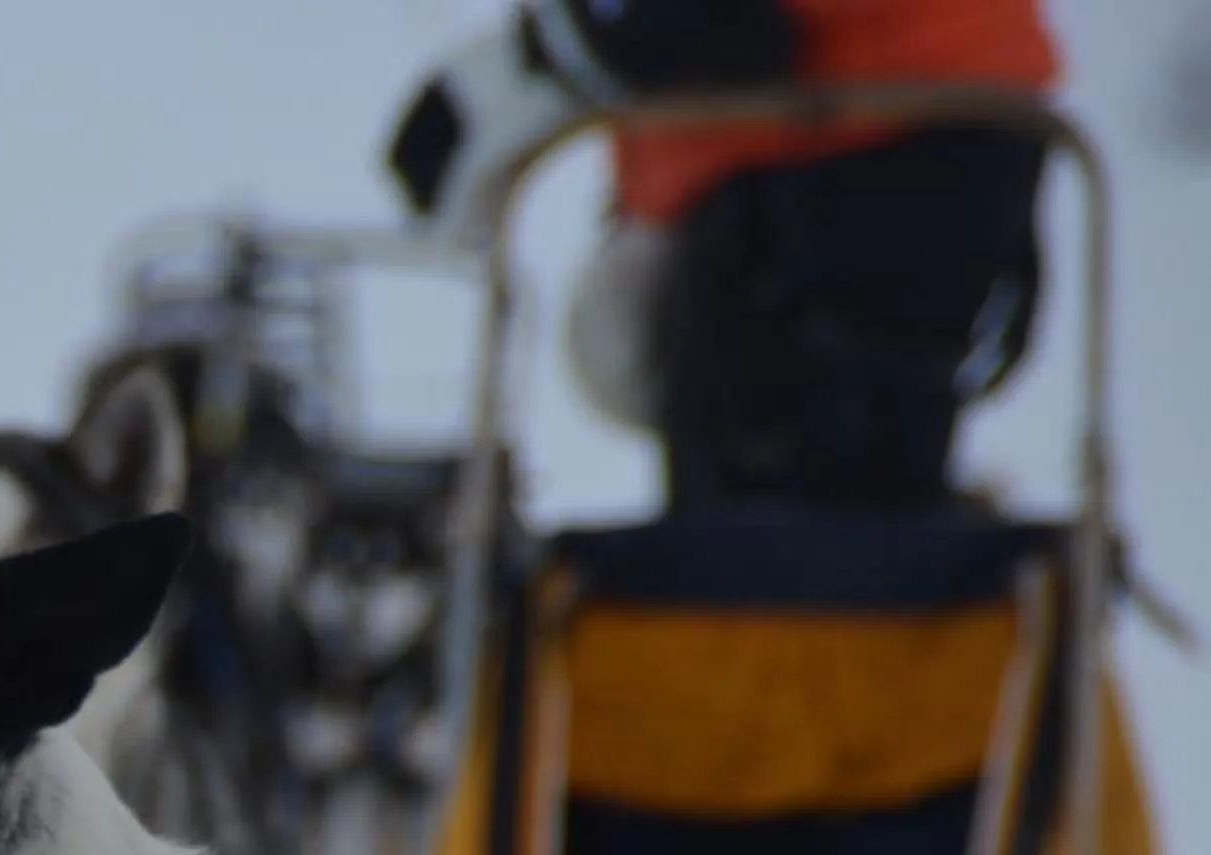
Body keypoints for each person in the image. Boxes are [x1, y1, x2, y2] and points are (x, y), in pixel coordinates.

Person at [385, 0, 1059, 510]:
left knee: (774, 546)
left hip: (856, 156)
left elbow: (719, 28)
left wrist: (537, 60)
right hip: (899, 131)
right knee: (843, 527)